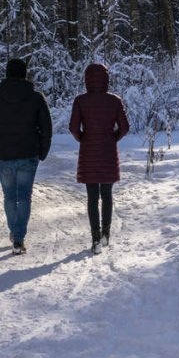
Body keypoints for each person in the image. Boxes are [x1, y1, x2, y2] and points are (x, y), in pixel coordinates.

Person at [0, 58, 52, 255]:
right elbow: (46, 128)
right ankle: (19, 237)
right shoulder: (36, 98)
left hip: (4, 154)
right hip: (29, 153)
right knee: (24, 196)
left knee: (10, 196)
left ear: (7, 74)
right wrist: (42, 151)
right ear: (24, 74)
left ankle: (15, 233)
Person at [68, 62, 130, 254]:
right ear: (106, 79)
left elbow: (73, 127)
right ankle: (106, 235)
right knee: (107, 195)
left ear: (87, 79)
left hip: (89, 153)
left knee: (92, 197)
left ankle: (95, 239)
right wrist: (113, 138)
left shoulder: (80, 101)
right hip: (108, 153)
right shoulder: (114, 101)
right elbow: (125, 127)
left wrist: (83, 138)